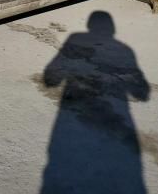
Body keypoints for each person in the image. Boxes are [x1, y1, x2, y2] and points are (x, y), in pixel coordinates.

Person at [41, 11, 150, 194]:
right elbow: (143, 93)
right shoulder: (125, 49)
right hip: (117, 133)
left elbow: (50, 79)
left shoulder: (75, 38)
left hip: (71, 132)